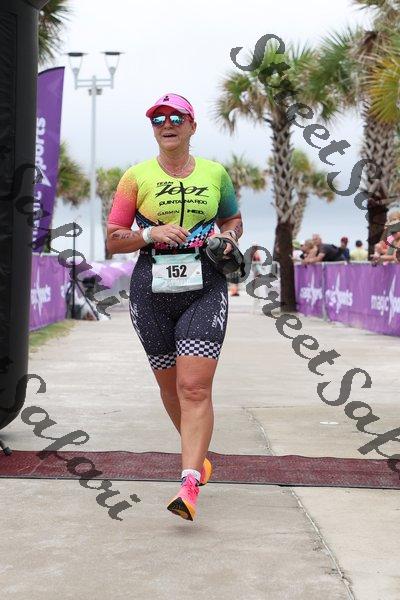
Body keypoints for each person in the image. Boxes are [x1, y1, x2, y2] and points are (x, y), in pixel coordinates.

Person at [106, 93, 242, 521]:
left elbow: (232, 220)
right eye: (158, 119)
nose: (167, 124)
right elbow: (113, 238)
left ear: (192, 126)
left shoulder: (216, 173)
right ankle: (199, 458)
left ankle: (188, 483)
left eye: (176, 117)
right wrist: (150, 234)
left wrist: (229, 237)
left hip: (206, 286)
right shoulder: (135, 177)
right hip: (151, 290)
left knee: (194, 388)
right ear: (153, 129)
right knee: (170, 389)